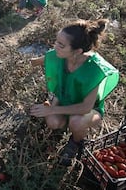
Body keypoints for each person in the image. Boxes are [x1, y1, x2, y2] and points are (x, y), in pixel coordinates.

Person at [29, 19, 119, 166]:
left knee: (77, 121)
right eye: (56, 42)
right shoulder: (58, 56)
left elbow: (85, 108)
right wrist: (11, 64)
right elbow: (36, 61)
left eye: (61, 45)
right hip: (65, 101)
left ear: (77, 51)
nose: (55, 47)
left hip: (88, 111)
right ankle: (66, 124)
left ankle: (76, 142)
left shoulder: (95, 70)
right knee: (52, 122)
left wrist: (52, 108)